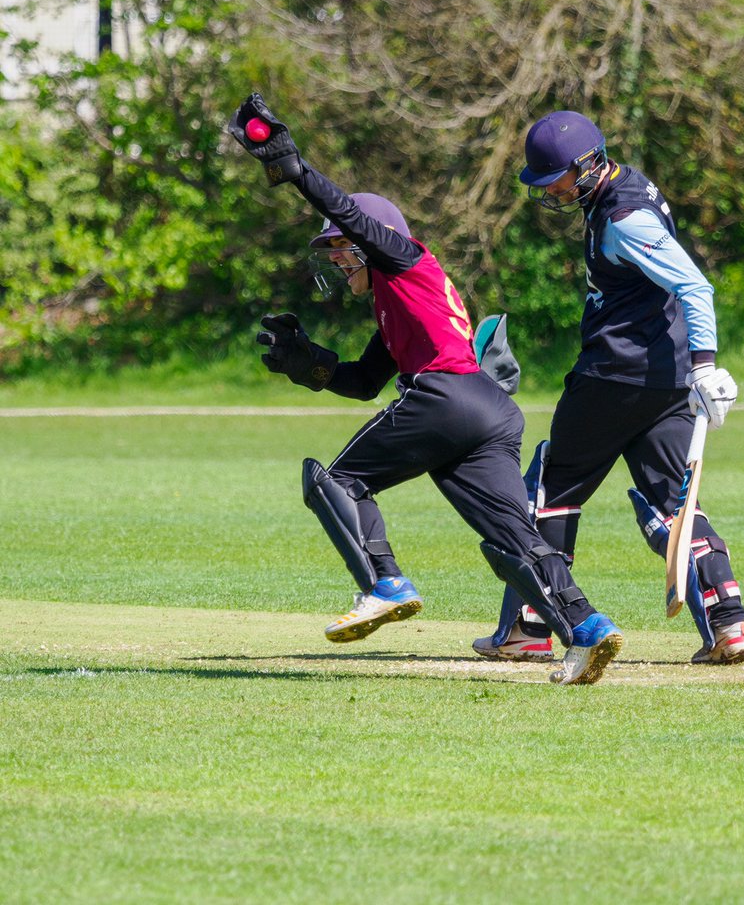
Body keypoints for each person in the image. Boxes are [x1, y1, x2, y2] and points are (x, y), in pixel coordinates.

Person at [226, 93, 622, 685]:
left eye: (341, 248)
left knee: (333, 482)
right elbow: (363, 383)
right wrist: (309, 367)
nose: (337, 259)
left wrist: (296, 170)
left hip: (447, 399)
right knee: (513, 539)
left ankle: (383, 582)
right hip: (488, 410)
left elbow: (358, 220)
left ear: (370, 240)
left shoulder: (403, 259)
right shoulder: (400, 303)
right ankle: (587, 628)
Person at [472, 110, 744, 666]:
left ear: (586, 165)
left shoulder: (625, 218)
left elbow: (696, 286)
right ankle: (729, 624)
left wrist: (706, 365)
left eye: (554, 179)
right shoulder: (627, 185)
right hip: (662, 379)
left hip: (615, 378)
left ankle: (532, 627)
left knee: (550, 494)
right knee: (674, 501)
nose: (550, 190)